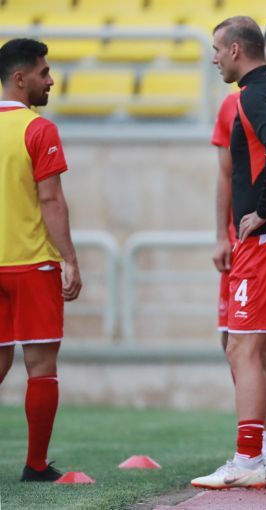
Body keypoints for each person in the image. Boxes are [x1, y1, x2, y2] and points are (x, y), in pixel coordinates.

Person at [192, 16, 266, 490]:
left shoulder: (253, 95)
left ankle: (246, 459)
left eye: (217, 50)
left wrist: (265, 208)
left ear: (236, 50)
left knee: (241, 346)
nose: (214, 59)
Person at [0, 38, 82, 482]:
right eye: (43, 72)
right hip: (32, 264)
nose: (50, 80)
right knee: (41, 367)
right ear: (20, 78)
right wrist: (69, 258)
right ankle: (35, 465)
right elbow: (50, 200)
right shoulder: (39, 129)